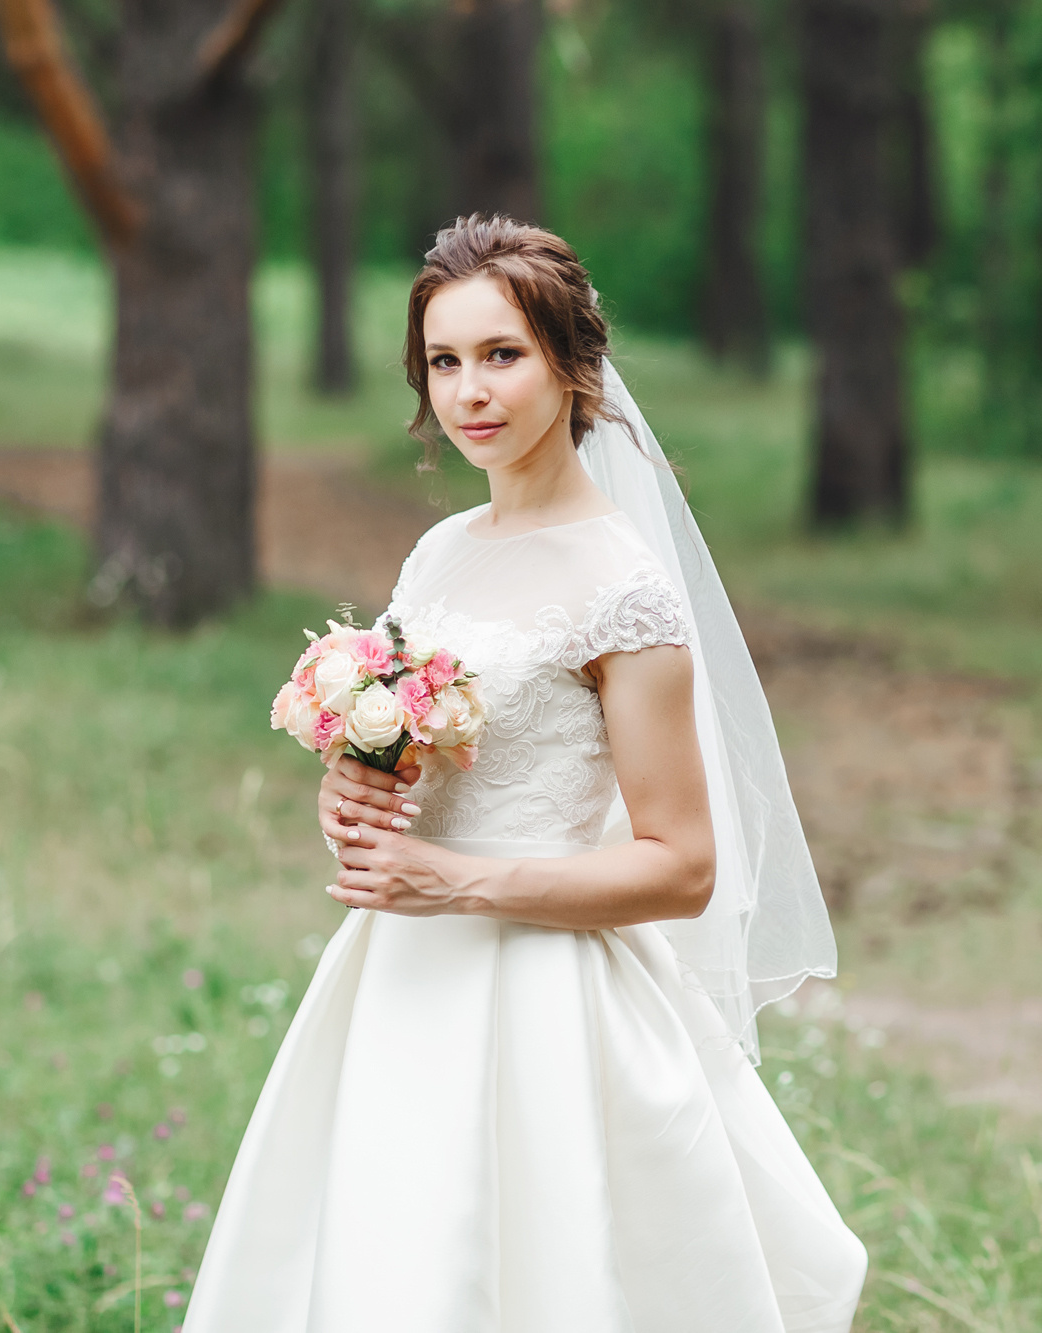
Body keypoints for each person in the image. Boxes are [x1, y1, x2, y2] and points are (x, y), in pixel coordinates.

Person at [185, 216, 866, 1331]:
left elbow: (681, 867)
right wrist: (351, 796)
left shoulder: (623, 588)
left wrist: (451, 880)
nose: (469, 393)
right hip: (401, 972)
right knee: (386, 1261)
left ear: (572, 363)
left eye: (501, 355)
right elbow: (419, 763)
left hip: (544, 989)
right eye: (443, 363)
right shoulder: (441, 549)